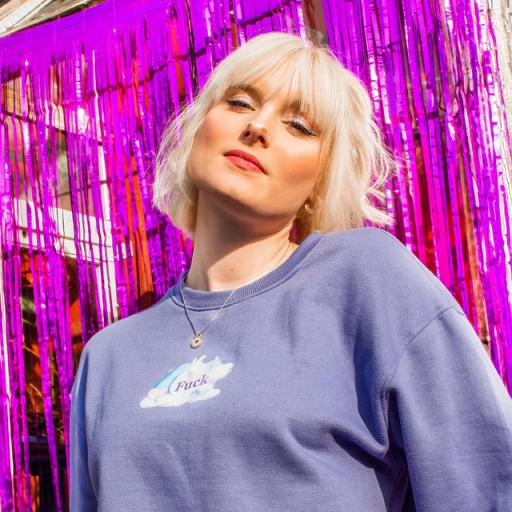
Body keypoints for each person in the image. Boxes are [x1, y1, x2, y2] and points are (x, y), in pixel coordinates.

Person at [70, 32, 512, 511]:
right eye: (239, 102)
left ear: (319, 182)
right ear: (196, 130)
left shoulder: (366, 280)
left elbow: (487, 483)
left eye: (299, 126)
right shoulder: (107, 357)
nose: (258, 126)